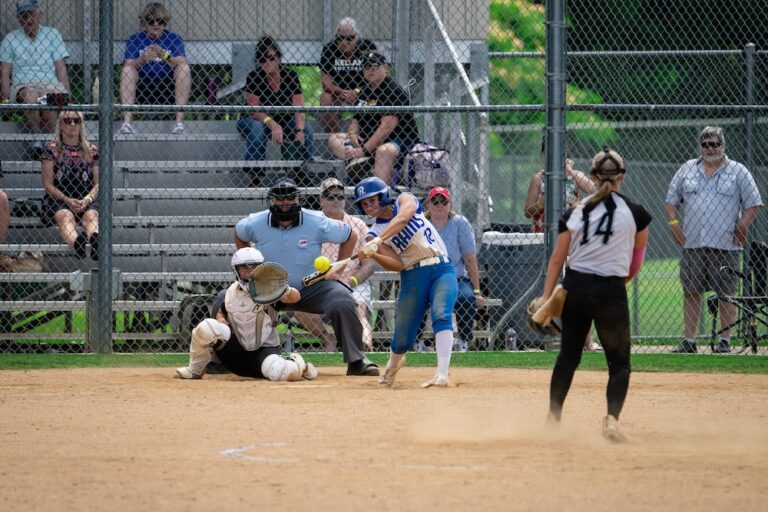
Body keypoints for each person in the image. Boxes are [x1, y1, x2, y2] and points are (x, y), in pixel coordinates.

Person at [535, 148, 651, 442]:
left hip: (575, 288)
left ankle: (553, 419)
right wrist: (618, 283)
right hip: (611, 290)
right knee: (620, 364)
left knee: (568, 358)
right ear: (621, 177)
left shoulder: (575, 212)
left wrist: (546, 296)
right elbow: (636, 260)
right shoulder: (636, 213)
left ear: (594, 176)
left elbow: (557, 259)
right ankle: (611, 420)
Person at [234, 178, 379, 376]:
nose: (285, 202)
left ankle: (356, 360)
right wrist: (251, 266)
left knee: (343, 300)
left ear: (298, 199)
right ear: (271, 201)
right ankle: (222, 360)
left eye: (290, 197)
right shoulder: (256, 221)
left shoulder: (316, 220)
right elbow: (239, 233)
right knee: (225, 300)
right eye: (279, 198)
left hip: (310, 287)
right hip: (268, 288)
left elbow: (349, 235)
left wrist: (337, 270)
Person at [353, 177, 458, 389]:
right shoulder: (373, 233)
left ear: (384, 195)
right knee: (402, 338)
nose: (369, 206)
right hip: (412, 276)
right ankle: (392, 367)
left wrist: (377, 241)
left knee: (441, 313)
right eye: (364, 204)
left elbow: (402, 218)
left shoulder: (404, 199)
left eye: (372, 200)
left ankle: (442, 375)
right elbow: (397, 264)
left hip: (441, 268)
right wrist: (374, 254)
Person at [666, 126, 762, 354]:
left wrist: (741, 225)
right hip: (693, 243)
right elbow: (670, 203)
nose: (711, 149)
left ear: (723, 145)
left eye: (715, 144)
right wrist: (674, 225)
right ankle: (689, 342)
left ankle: (725, 341)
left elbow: (754, 204)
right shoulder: (687, 169)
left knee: (726, 293)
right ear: (700, 147)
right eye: (706, 144)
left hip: (726, 244)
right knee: (691, 291)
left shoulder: (738, 171)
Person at [175, 247, 318, 381]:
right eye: (244, 267)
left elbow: (295, 298)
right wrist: (220, 319)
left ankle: (297, 364)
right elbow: (222, 311)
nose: (249, 271)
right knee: (207, 327)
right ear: (236, 270)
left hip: (263, 354)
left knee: (279, 372)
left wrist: (284, 289)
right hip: (234, 355)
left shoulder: (271, 292)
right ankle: (195, 370)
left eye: (254, 266)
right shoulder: (231, 292)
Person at [524, 155, 603, 352]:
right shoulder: (538, 178)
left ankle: (587, 341)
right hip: (544, 238)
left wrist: (569, 172)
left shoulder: (574, 176)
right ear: (544, 155)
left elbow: (595, 190)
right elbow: (528, 211)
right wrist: (543, 200)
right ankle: (544, 339)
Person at [293, 178, 376, 352]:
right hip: (320, 282)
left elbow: (369, 264)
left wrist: (351, 281)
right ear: (321, 200)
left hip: (352, 280)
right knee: (298, 304)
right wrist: (321, 276)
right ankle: (327, 338)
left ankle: (364, 345)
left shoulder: (358, 225)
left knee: (358, 308)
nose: (336, 201)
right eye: (330, 197)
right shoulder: (310, 225)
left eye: (339, 196)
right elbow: (300, 261)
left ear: (345, 199)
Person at [328, 51, 419, 185]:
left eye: (375, 65)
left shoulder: (393, 90)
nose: (370, 70)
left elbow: (386, 128)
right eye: (366, 66)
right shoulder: (364, 91)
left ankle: (379, 192)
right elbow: (355, 120)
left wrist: (363, 150)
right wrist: (352, 134)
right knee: (334, 138)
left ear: (385, 68)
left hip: (398, 140)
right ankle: (358, 160)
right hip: (368, 140)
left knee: (383, 151)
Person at [237, 36, 314, 186]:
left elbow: (299, 106)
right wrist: (272, 124)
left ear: (278, 58)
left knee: (308, 130)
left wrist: (299, 129)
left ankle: (303, 171)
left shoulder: (290, 76)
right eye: (262, 59)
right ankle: (255, 174)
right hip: (254, 120)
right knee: (258, 128)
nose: (266, 62)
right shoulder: (254, 77)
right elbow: (254, 110)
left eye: (271, 58)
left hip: (283, 120)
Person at [422, 187, 484, 352]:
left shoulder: (460, 223)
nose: (439, 205)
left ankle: (464, 340)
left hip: (455, 277)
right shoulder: (421, 223)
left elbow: (470, 259)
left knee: (466, 297)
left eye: (444, 202)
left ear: (450, 204)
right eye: (435, 201)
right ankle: (416, 342)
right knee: (417, 298)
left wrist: (477, 291)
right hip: (427, 276)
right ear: (428, 204)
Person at [119, 2, 191, 135]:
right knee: (127, 70)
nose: (156, 25)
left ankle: (179, 124)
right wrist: (143, 59)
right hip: (142, 86)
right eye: (151, 21)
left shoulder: (173, 38)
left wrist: (164, 55)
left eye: (160, 21)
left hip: (168, 86)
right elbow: (128, 64)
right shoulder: (135, 39)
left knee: (184, 69)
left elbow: (183, 61)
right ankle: (127, 123)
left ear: (165, 22)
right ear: (144, 23)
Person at [0, 0, 70, 136]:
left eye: (31, 14)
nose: (28, 19)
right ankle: (37, 140)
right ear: (18, 19)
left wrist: (68, 94)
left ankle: (50, 144)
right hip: (23, 86)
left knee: (47, 97)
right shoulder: (10, 39)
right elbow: (4, 72)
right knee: (31, 96)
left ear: (39, 14)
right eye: (23, 16)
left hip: (50, 84)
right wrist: (7, 101)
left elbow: (61, 69)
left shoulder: (52, 35)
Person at [40, 111, 99, 260]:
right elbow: (48, 184)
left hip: (85, 198)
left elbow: (98, 183)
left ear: (81, 124)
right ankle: (77, 243)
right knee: (65, 216)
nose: (72, 124)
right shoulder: (51, 150)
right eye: (67, 120)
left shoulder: (91, 150)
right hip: (60, 199)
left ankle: (95, 241)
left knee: (91, 216)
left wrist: (87, 199)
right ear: (60, 125)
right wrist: (66, 199)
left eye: (76, 120)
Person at [318, 18, 377, 134]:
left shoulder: (367, 47)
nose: (345, 42)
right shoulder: (329, 50)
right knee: (325, 98)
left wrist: (357, 91)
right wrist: (343, 92)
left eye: (350, 38)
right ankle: (336, 139)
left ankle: (368, 136)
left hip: (365, 92)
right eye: (341, 38)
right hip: (338, 94)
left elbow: (376, 78)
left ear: (357, 37)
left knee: (377, 98)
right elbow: (326, 83)